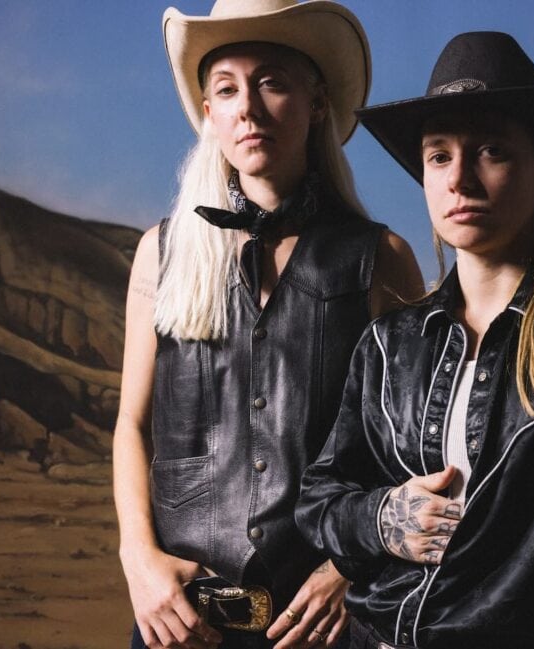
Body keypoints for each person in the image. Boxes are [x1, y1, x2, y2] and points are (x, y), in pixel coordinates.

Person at [295, 32, 534, 649]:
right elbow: (320, 500)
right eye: (439, 156)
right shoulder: (388, 344)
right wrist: (383, 518)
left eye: (492, 151)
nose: (460, 179)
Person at [113, 2, 423, 648]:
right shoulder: (160, 253)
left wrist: (347, 568)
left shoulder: (381, 260)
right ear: (209, 113)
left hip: (324, 627)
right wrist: (138, 558)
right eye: (227, 90)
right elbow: (132, 425)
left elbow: (408, 451)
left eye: (272, 82)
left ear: (317, 103)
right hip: (183, 623)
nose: (248, 109)